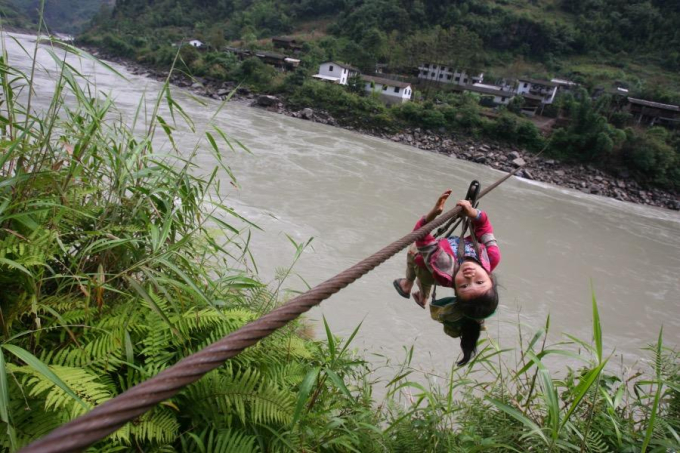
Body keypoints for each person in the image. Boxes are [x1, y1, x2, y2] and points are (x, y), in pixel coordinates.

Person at [393, 189, 500, 365]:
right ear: (491, 278)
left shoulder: (444, 266)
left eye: (464, 286)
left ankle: (407, 285)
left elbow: (421, 237)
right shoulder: (491, 256)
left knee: (414, 255)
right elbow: (484, 227)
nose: (469, 276)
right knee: (425, 277)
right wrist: (473, 214)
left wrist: (431, 216)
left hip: (426, 266)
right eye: (479, 282)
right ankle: (423, 296)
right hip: (433, 266)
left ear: (455, 289)